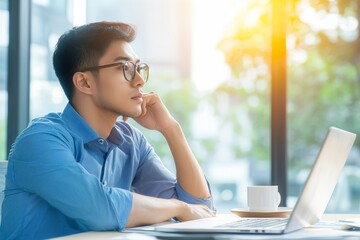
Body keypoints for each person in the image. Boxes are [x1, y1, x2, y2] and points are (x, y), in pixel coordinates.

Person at [0, 21, 215, 239]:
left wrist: (171, 129)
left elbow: (199, 210)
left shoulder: (131, 142)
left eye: (138, 68)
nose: (140, 80)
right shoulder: (40, 140)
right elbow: (99, 209)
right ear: (84, 82)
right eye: (125, 69)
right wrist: (179, 208)